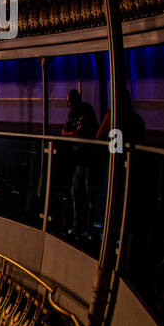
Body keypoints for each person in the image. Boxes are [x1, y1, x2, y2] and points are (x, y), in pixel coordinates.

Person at [60, 89, 98, 238]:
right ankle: (77, 228)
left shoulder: (86, 110)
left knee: (89, 196)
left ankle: (89, 231)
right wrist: (72, 134)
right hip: (78, 161)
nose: (67, 104)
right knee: (75, 194)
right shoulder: (72, 115)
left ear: (76, 100)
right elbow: (63, 132)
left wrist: (72, 134)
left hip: (90, 159)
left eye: (69, 101)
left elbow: (79, 134)